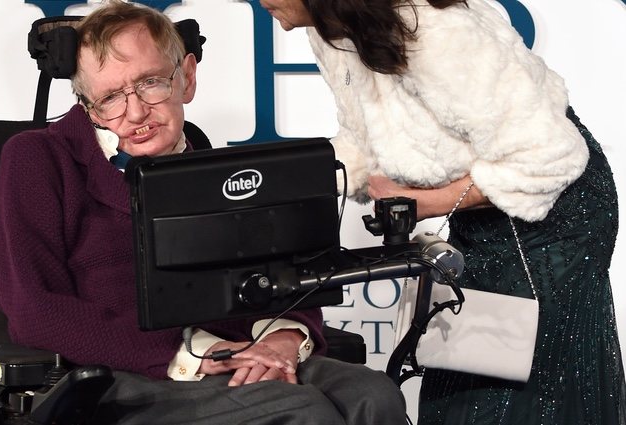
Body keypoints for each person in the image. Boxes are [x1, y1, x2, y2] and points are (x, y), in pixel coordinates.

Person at [0, 1, 407, 424]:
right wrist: (192, 357)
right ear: (87, 104)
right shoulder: (36, 159)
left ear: (187, 77)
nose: (136, 112)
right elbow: (35, 310)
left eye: (150, 83)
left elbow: (281, 277)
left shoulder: (213, 168)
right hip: (125, 372)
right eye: (110, 98)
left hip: (239, 354)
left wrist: (285, 336)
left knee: (372, 395)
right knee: (298, 410)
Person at [260, 0, 626, 424]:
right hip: (486, 206)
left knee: (522, 377)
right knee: (468, 362)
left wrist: (427, 204)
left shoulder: (433, 32)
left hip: (555, 214)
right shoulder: (331, 30)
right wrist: (281, 184)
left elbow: (547, 158)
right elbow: (362, 137)